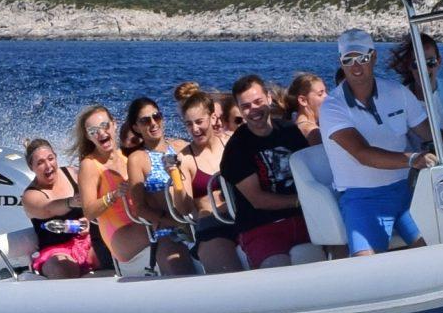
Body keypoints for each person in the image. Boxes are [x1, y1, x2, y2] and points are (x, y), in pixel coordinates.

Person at [321, 29, 433, 256]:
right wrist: (413, 159)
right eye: (348, 60)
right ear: (340, 62)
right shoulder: (332, 106)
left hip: (406, 192)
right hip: (362, 197)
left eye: (362, 58)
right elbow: (363, 154)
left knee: (436, 246)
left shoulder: (398, 92)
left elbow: (430, 133)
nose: (356, 66)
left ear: (373, 57)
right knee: (366, 265)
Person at [218, 75, 316, 268]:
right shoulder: (236, 149)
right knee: (277, 268)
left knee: (341, 241)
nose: (253, 109)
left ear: (269, 98)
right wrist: (302, 200)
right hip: (261, 228)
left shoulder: (290, 131)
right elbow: (258, 199)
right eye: (246, 106)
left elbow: (310, 169)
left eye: (258, 102)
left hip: (304, 218)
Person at [119, 98, 199, 278]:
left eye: (157, 116)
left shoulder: (181, 146)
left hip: (197, 221)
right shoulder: (137, 159)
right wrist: (174, 223)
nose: (153, 123)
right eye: (145, 120)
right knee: (180, 275)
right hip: (168, 229)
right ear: (136, 127)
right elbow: (140, 208)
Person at [171, 86, 241, 275]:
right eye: (188, 124)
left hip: (245, 216)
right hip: (213, 226)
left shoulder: (232, 142)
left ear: (212, 118)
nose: (194, 129)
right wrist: (177, 180)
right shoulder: (185, 159)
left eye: (199, 122)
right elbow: (184, 209)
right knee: (228, 275)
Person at [72, 104, 148, 276]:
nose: (100, 133)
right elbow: (89, 212)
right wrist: (114, 195)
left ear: (114, 124)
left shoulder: (127, 157)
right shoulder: (90, 165)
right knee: (162, 225)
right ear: (88, 136)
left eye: (104, 126)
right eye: (93, 131)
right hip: (119, 235)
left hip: (140, 222)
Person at [17, 138, 100, 278]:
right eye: (40, 163)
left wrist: (87, 218)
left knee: (107, 252)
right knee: (63, 268)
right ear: (31, 167)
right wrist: (71, 202)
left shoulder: (72, 173)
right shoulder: (30, 196)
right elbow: (49, 208)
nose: (48, 166)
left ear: (56, 157)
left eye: (51, 158)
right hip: (56, 251)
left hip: (88, 241)